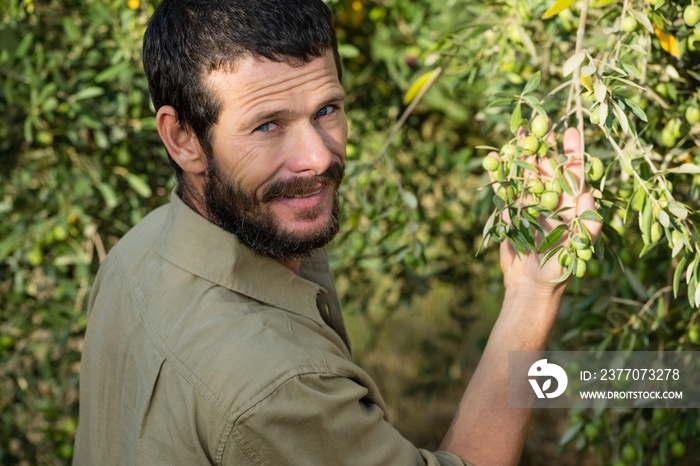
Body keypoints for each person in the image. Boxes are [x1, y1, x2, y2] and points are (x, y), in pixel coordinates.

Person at [72, 0, 600, 464]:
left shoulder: (140, 250)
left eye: (327, 110)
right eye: (267, 125)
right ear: (182, 138)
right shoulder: (277, 386)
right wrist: (532, 295)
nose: (319, 156)